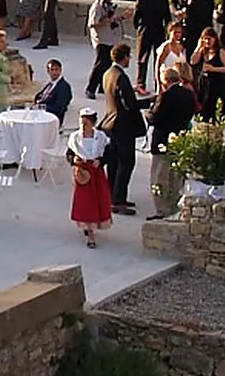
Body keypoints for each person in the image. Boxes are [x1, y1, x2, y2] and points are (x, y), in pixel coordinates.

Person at [147, 69, 199, 218]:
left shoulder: (166, 96)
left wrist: (148, 115)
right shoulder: (189, 94)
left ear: (165, 81)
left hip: (163, 141)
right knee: (176, 178)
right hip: (180, 141)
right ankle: (174, 208)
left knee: (159, 178)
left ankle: (162, 210)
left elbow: (156, 118)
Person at [101, 43, 146, 216]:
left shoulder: (108, 73)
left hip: (111, 123)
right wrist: (149, 101)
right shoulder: (121, 77)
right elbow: (129, 104)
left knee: (114, 162)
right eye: (129, 57)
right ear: (124, 57)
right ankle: (118, 199)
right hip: (123, 126)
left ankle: (112, 194)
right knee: (126, 163)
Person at [67, 108, 113, 248]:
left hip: (96, 172)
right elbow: (69, 154)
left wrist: (101, 160)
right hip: (83, 173)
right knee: (85, 201)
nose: (83, 126)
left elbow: (109, 153)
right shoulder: (75, 138)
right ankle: (89, 231)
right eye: (82, 123)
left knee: (98, 199)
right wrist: (74, 160)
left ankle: (93, 224)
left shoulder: (101, 137)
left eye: (86, 123)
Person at [132, 0, 172, 94]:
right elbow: (168, 20)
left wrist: (138, 28)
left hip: (144, 32)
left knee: (142, 59)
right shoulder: (163, 1)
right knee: (158, 60)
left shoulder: (141, 0)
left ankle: (140, 83)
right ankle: (158, 83)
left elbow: (135, 18)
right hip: (159, 32)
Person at [191, 27, 225, 124]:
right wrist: (198, 48)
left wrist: (213, 69)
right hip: (204, 84)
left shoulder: (221, 52)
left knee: (215, 111)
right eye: (205, 39)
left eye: (209, 39)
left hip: (217, 84)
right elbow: (193, 61)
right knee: (202, 109)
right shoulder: (203, 51)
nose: (207, 41)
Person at [85, 0, 121, 98]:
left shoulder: (108, 5)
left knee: (107, 64)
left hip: (109, 38)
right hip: (101, 39)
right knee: (100, 64)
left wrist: (121, 17)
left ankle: (102, 86)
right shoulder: (98, 6)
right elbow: (93, 23)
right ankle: (90, 88)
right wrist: (108, 20)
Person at [32, 58, 73, 124]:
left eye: (56, 70)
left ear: (60, 70)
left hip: (51, 120)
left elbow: (59, 108)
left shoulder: (63, 87)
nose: (54, 72)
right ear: (48, 71)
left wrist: (41, 106)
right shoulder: (50, 84)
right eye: (52, 70)